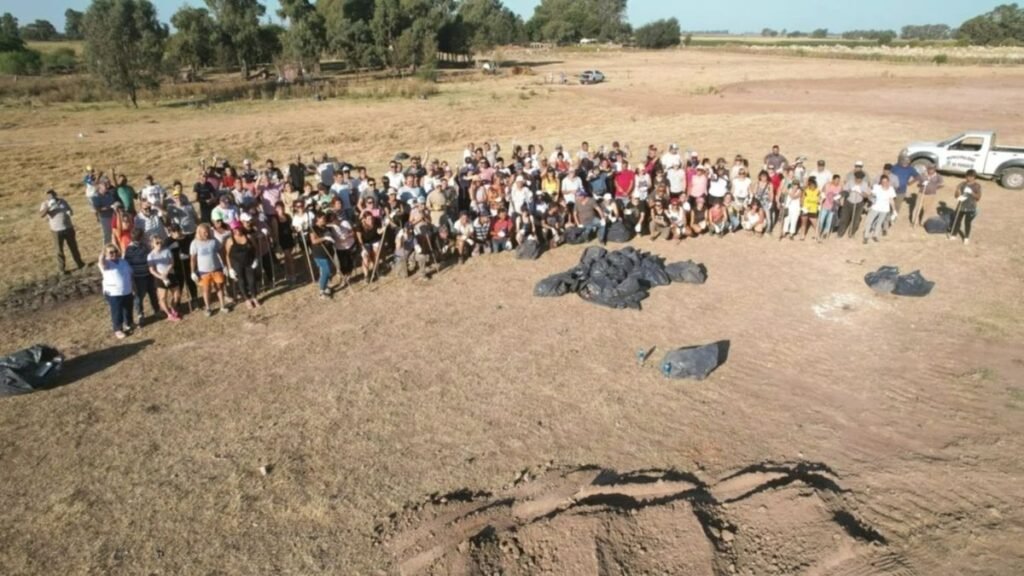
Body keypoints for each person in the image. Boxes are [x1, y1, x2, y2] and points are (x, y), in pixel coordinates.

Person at [40, 189, 85, 274]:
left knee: (73, 247)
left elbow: (70, 210)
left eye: (52, 194)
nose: (51, 196)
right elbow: (41, 215)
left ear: (55, 194)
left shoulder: (62, 201)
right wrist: (48, 207)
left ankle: (80, 264)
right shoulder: (45, 204)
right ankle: (62, 269)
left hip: (68, 228)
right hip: (56, 230)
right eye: (48, 195)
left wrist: (69, 212)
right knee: (59, 250)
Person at [189, 223, 229, 316]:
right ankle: (208, 308)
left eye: (207, 232)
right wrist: (192, 272)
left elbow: (221, 252)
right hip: (203, 271)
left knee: (219, 288)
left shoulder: (214, 241)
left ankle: (222, 306)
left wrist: (224, 265)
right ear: (199, 233)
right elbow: (193, 259)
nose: (206, 234)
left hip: (216, 268)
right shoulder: (194, 243)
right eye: (204, 232)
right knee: (206, 290)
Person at [99, 244, 135, 339]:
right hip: (114, 293)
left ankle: (129, 323)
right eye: (111, 252)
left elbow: (130, 274)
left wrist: (133, 287)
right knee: (117, 311)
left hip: (127, 290)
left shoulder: (123, 262)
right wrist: (103, 252)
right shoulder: (106, 264)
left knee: (128, 308)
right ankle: (118, 329)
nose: (114, 254)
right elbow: (101, 261)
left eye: (115, 251)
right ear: (106, 254)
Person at [124, 228, 160, 323]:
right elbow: (128, 264)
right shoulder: (130, 249)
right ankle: (140, 315)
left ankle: (157, 310)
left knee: (153, 294)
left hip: (149, 275)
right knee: (139, 297)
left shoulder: (144, 246)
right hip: (138, 277)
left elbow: (149, 256)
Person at [225, 220, 260, 308]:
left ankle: (254, 297)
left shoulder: (248, 237)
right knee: (241, 281)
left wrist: (256, 258)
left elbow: (255, 248)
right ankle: (247, 299)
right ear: (232, 230)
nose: (237, 231)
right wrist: (230, 269)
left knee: (252, 281)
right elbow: (227, 255)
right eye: (234, 229)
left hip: (249, 262)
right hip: (237, 264)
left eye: (238, 228)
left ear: (241, 228)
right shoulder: (230, 240)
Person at [147, 235, 182, 321]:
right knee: (162, 297)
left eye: (161, 242)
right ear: (152, 244)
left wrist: (166, 272)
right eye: (157, 243)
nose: (159, 244)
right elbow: (152, 270)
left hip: (170, 274)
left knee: (177, 295)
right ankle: (169, 314)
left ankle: (173, 308)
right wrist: (161, 276)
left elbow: (171, 263)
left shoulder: (167, 251)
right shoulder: (150, 256)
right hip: (159, 277)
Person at [949, 169, 982, 244]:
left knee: (967, 222)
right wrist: (957, 191)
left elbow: (978, 198)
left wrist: (971, 192)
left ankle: (966, 237)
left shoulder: (977, 186)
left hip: (971, 207)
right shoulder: (962, 184)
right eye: (968, 176)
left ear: (974, 177)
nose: (969, 178)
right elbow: (956, 196)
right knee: (957, 221)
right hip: (961, 206)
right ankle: (954, 234)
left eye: (971, 177)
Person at [863, 175, 897, 244]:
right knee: (869, 221)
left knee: (879, 223)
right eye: (883, 182)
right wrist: (869, 196)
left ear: (888, 182)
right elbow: (870, 194)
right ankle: (866, 236)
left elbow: (891, 200)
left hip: (884, 209)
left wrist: (894, 210)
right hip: (875, 208)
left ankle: (875, 235)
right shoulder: (877, 187)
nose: (884, 183)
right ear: (881, 182)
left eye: (886, 181)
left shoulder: (891, 189)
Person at [838, 171, 868, 238]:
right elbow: (844, 191)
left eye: (860, 179)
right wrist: (850, 190)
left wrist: (860, 192)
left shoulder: (864, 184)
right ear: (855, 177)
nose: (858, 180)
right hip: (848, 202)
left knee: (856, 220)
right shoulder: (850, 182)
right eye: (857, 178)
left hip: (859, 204)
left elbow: (866, 196)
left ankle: (851, 233)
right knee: (844, 219)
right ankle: (840, 233)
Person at [890, 155, 919, 220]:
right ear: (900, 161)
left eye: (907, 162)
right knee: (889, 203)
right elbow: (889, 175)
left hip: (901, 191)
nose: (905, 163)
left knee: (897, 205)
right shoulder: (895, 167)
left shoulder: (910, 169)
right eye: (904, 161)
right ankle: (887, 216)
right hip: (892, 189)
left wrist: (910, 183)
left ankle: (893, 217)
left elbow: (917, 176)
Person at [818, 174, 841, 241]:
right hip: (825, 205)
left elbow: (839, 197)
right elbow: (822, 192)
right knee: (821, 220)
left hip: (833, 207)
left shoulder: (839, 187)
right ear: (833, 180)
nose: (837, 182)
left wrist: (838, 202)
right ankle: (819, 231)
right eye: (836, 180)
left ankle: (826, 233)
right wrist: (821, 196)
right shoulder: (827, 185)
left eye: (838, 181)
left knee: (829, 221)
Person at [799, 176, 820, 241]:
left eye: (814, 186)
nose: (813, 187)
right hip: (805, 209)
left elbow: (820, 199)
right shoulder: (806, 191)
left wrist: (819, 203)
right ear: (809, 185)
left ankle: (817, 236)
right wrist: (802, 206)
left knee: (815, 224)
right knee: (803, 223)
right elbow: (802, 199)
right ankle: (802, 236)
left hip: (813, 210)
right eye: (811, 186)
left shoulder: (818, 191)